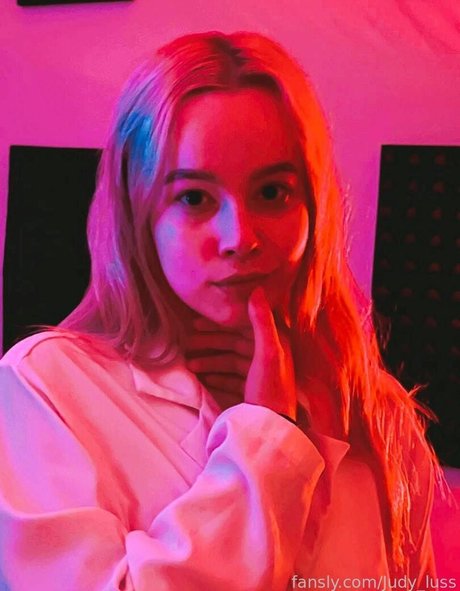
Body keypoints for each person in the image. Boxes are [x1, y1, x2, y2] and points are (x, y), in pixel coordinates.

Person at [0, 31, 440, 590]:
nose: (240, 238)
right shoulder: (45, 389)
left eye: (272, 193)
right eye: (194, 198)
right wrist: (267, 433)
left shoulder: (378, 414)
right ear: (138, 213)